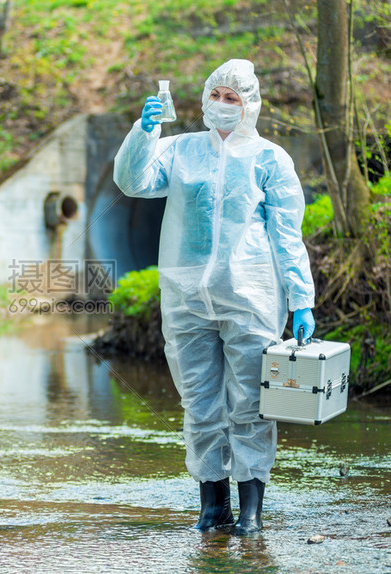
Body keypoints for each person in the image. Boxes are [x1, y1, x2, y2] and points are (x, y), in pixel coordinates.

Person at [113, 59, 316, 535]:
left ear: (250, 105)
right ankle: (212, 505)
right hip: (185, 297)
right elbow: (133, 181)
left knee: (249, 402)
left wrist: (300, 298)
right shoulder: (179, 150)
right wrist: (142, 134)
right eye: (216, 96)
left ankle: (251, 510)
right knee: (200, 403)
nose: (223, 105)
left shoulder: (271, 160)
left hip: (251, 296)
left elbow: (287, 235)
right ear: (204, 100)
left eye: (233, 98)